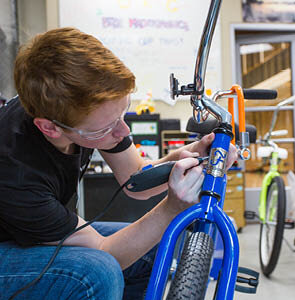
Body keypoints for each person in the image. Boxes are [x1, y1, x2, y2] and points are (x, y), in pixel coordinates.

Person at [0, 27, 236, 299]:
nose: (123, 132)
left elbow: (135, 180)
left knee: (154, 245)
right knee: (99, 272)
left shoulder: (78, 112)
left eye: (122, 113)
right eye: (106, 127)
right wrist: (174, 207)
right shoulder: (13, 172)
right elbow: (106, 251)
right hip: (6, 246)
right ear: (50, 128)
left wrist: (194, 151)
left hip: (36, 231)